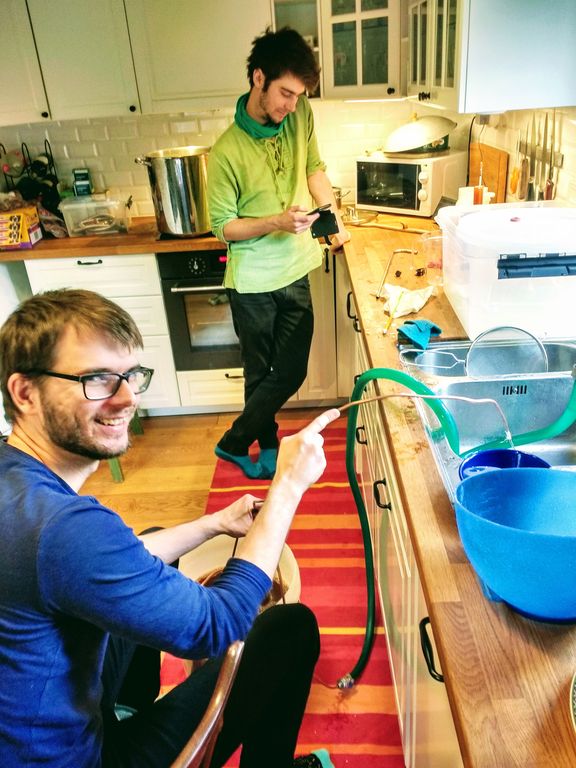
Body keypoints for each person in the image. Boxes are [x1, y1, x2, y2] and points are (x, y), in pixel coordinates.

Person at [0, 287, 340, 768]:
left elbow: (100, 560)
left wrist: (213, 524)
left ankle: (128, 709)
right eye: (97, 379)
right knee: (289, 630)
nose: (127, 399)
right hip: (75, 759)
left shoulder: (16, 481)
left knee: (154, 542)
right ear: (25, 393)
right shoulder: (64, 529)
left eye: (130, 376)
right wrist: (287, 485)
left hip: (31, 726)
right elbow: (218, 625)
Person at [207, 26, 349, 481]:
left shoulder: (300, 113)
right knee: (259, 372)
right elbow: (223, 227)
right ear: (258, 78)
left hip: (296, 268)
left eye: (298, 95)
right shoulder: (226, 151)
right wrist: (275, 222)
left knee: (289, 371)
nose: (291, 105)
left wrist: (332, 218)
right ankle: (265, 443)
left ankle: (233, 441)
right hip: (252, 282)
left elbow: (314, 168)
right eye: (285, 93)